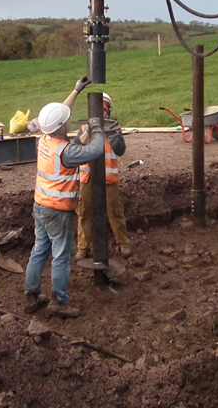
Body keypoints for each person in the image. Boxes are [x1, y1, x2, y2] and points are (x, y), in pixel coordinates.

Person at [24, 76, 106, 319]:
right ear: (61, 127)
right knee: (60, 255)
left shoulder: (45, 139)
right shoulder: (66, 152)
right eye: (66, 122)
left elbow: (57, 116)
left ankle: (31, 295)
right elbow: (95, 149)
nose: (68, 120)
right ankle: (59, 302)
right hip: (59, 211)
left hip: (40, 206)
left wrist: (76, 91)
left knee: (40, 249)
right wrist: (98, 128)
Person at [73, 92, 130, 260]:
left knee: (114, 211)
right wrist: (89, 131)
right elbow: (76, 147)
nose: (101, 113)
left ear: (108, 111)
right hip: (87, 178)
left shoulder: (114, 128)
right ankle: (83, 247)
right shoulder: (84, 129)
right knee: (84, 212)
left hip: (108, 179)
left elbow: (120, 150)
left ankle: (124, 243)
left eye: (104, 109)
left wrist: (113, 137)